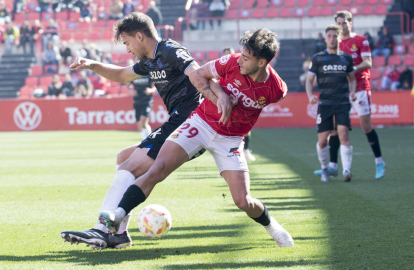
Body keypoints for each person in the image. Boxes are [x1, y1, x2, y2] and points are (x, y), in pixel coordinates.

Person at [98, 28, 294, 249]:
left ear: (262, 62)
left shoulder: (276, 90)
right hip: (200, 123)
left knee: (243, 201)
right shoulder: (232, 61)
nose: (240, 60)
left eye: (246, 58)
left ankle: (272, 227)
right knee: (158, 168)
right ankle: (117, 215)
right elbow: (200, 74)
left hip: (229, 139)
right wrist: (220, 94)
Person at [60, 12, 230, 249]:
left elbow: (196, 73)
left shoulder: (170, 50)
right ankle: (118, 233)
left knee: (131, 166)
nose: (127, 49)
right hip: (179, 121)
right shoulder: (149, 60)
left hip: (190, 121)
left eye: (128, 42)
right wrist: (93, 65)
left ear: (139, 36)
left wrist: (218, 98)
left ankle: (100, 229)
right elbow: (121, 75)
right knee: (124, 158)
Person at [315, 10, 386, 179]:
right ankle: (332, 166)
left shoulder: (360, 40)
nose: (342, 26)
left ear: (350, 23)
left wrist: (351, 69)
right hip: (339, 91)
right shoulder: (336, 44)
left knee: (365, 125)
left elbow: (368, 62)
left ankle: (379, 162)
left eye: (344, 23)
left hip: (360, 87)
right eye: (338, 23)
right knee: (334, 128)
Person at [307, 25, 356, 182]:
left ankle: (347, 171)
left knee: (343, 135)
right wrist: (310, 95)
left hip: (342, 102)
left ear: (339, 38)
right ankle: (324, 169)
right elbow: (309, 80)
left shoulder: (346, 58)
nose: (332, 38)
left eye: (335, 36)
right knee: (322, 140)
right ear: (326, 38)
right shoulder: (318, 58)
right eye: (329, 36)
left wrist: (353, 91)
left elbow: (353, 79)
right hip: (325, 103)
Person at [222, 46, 256, 161]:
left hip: (240, 101)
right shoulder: (220, 68)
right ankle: (228, 153)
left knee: (245, 127)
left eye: (230, 54)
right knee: (226, 127)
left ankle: (246, 151)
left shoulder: (239, 67)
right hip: (225, 101)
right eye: (226, 54)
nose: (228, 56)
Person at [127, 72, 155, 139]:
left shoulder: (148, 73)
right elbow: (128, 84)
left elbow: (157, 84)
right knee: (139, 124)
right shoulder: (134, 73)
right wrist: (130, 91)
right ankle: (145, 141)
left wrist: (151, 90)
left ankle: (149, 140)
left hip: (147, 100)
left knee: (143, 123)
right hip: (137, 101)